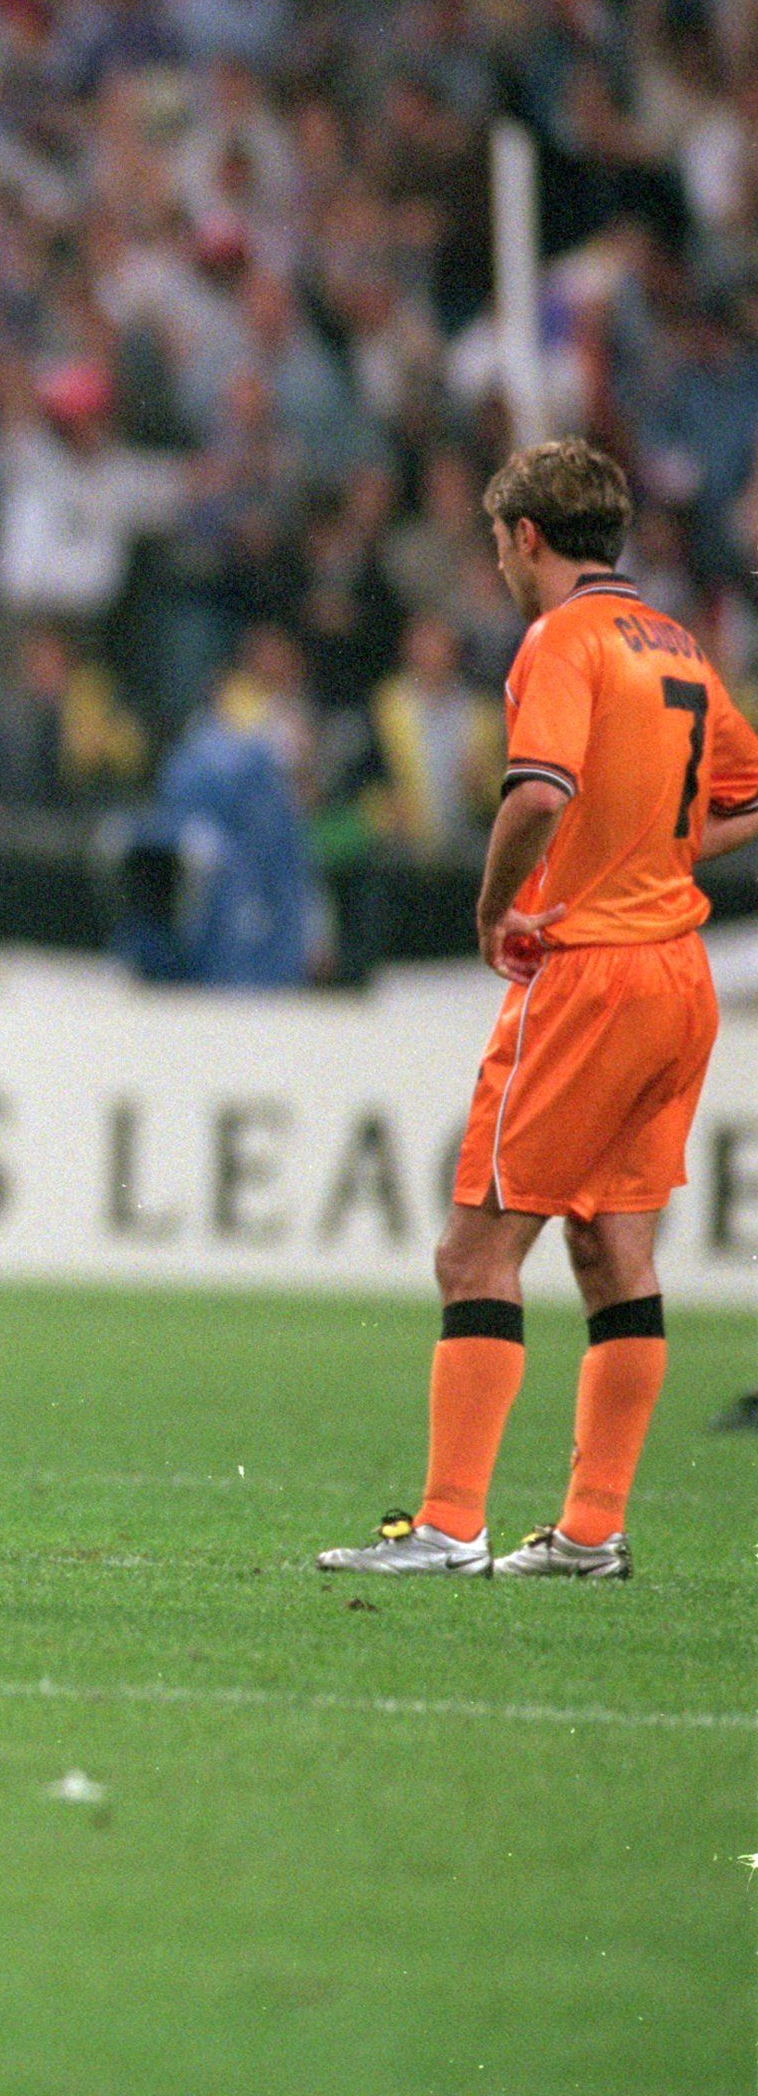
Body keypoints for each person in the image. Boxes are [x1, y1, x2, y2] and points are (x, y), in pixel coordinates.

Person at [322, 441, 758, 1581]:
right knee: (616, 1249)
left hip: (595, 973)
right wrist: (650, 855)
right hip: (680, 971)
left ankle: (450, 1523)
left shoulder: (558, 639)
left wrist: (495, 905)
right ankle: (591, 1535)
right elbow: (745, 794)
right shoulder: (676, 642)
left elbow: (537, 790)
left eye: (498, 544)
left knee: (476, 1248)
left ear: (525, 537)